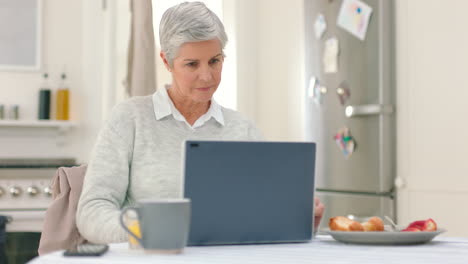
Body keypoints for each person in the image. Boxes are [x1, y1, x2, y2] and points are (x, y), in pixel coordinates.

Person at [76, 1, 324, 244]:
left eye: (215, 61)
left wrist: (298, 222)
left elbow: (261, 213)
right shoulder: (130, 119)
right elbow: (92, 211)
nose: (206, 76)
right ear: (166, 61)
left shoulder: (242, 128)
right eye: (192, 64)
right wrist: (149, 232)